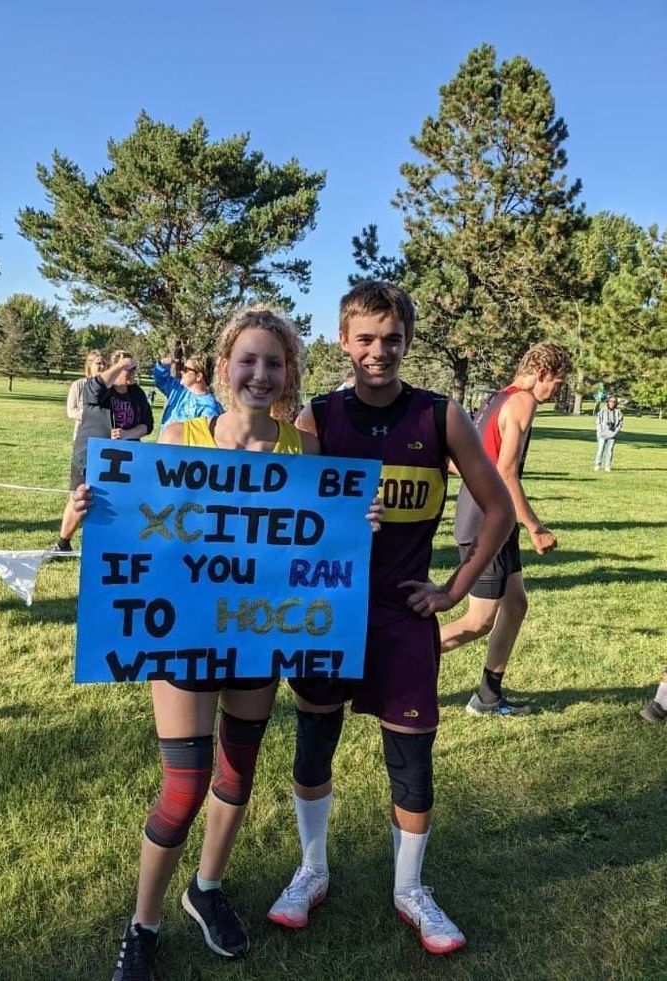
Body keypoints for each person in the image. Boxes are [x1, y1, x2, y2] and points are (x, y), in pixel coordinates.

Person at [93, 307, 382, 980]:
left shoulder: (301, 450)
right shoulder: (180, 435)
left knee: (237, 772)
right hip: (185, 631)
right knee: (185, 784)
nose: (260, 373)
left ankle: (208, 887)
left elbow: (325, 534)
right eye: (248, 360)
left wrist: (355, 516)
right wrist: (88, 509)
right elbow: (135, 522)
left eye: (273, 363)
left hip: (259, 630)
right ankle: (143, 923)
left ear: (288, 374)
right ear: (225, 367)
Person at [267, 281, 514, 956]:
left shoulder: (440, 416)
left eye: (392, 338)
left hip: (403, 616)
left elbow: (497, 508)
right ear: (344, 341)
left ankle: (410, 886)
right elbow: (291, 519)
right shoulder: (319, 418)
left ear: (408, 340)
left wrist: (456, 587)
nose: (379, 351)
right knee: (313, 743)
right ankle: (312, 867)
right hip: (328, 609)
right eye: (366, 338)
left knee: (411, 756)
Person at [439, 343, 571, 716]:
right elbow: (506, 473)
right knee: (478, 620)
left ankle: (488, 695)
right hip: (487, 522)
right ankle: (389, 664)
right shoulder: (522, 402)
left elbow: (465, 461)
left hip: (491, 518)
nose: (555, 393)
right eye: (557, 384)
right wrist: (536, 527)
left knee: (515, 604)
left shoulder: (497, 398)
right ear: (542, 373)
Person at [51, 350, 153, 555]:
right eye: (128, 369)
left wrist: (127, 434)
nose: (132, 373)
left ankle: (113, 545)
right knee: (80, 498)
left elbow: (147, 424)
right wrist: (118, 367)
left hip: (125, 458)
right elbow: (95, 389)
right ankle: (63, 544)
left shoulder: (137, 393)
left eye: (133, 368)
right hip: (91, 454)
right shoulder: (96, 389)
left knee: (122, 501)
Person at [153, 352, 223, 430]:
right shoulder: (178, 390)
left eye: (185, 369)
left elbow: (203, 437)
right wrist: (162, 365)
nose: (181, 372)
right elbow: (161, 380)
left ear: (199, 376)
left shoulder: (210, 408)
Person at [65, 350, 107, 440]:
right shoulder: (78, 385)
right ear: (90, 365)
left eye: (104, 363)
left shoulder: (110, 386)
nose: (102, 366)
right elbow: (71, 411)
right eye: (98, 363)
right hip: (84, 435)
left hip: (105, 435)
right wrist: (94, 416)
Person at [594, 394, 623, 472]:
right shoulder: (603, 410)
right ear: (608, 402)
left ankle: (607, 466)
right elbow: (598, 421)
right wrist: (600, 431)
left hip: (612, 435)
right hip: (602, 434)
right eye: (610, 401)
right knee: (600, 450)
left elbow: (620, 423)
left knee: (610, 451)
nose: (612, 403)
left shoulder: (618, 412)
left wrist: (616, 432)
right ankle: (597, 465)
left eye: (614, 402)